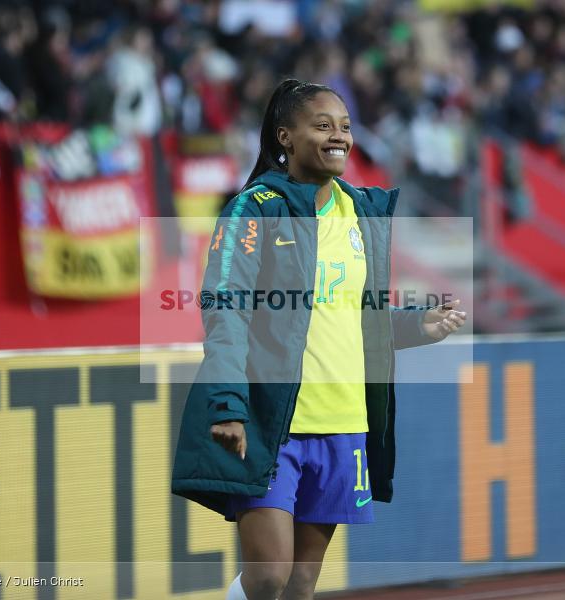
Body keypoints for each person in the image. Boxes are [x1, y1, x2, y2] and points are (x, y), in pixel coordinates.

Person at [171, 79, 466, 600]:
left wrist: (414, 326)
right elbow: (226, 310)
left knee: (302, 583)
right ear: (285, 136)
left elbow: (354, 316)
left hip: (344, 422)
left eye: (346, 127)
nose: (339, 137)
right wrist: (227, 403)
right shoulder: (255, 209)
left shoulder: (362, 211)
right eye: (323, 125)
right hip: (272, 422)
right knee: (268, 576)